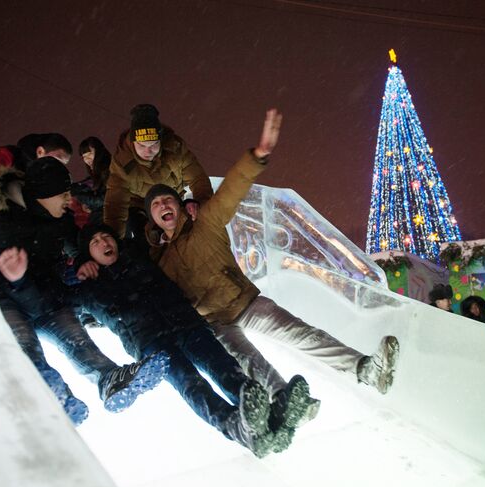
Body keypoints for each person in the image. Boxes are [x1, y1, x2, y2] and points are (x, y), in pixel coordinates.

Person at [145, 109, 400, 395]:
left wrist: (257, 155)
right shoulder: (158, 263)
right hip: (213, 322)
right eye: (156, 205)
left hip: (243, 300)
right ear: (152, 218)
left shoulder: (205, 222)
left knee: (301, 333)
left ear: (180, 205)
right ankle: (284, 399)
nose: (164, 206)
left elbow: (231, 190)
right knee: (249, 361)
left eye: (168, 199)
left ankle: (364, 370)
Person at [74, 223, 316, 456]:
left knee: (223, 365)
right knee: (191, 385)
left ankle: (267, 418)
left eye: (106, 236)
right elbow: (84, 304)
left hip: (185, 322)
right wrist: (81, 272)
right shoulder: (90, 287)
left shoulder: (137, 255)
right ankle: (238, 428)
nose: (103, 242)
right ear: (88, 255)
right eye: (95, 242)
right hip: (151, 343)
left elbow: (139, 223)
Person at [0, 156, 168, 425]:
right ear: (42, 195)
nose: (69, 199)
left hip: (44, 291)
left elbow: (71, 244)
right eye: (63, 194)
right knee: (26, 347)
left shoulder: (59, 217)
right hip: (6, 296)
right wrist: (17, 279)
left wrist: (82, 261)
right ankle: (55, 397)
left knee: (76, 338)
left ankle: (110, 379)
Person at [103, 104, 212, 241]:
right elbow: (116, 205)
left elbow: (198, 179)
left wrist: (202, 207)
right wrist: (113, 241)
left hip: (173, 203)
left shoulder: (176, 149)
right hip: (140, 208)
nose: (148, 152)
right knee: (144, 240)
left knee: (188, 237)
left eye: (154, 144)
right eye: (142, 146)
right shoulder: (122, 163)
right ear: (132, 142)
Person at [0, 132, 74, 207]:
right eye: (56, 160)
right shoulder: (9, 155)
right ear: (40, 151)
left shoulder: (44, 178)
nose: (56, 166)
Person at [70, 137, 111, 228]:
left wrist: (79, 196)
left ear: (99, 152)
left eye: (89, 154)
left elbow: (106, 200)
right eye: (84, 156)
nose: (87, 159)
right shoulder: (96, 174)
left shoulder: (111, 170)